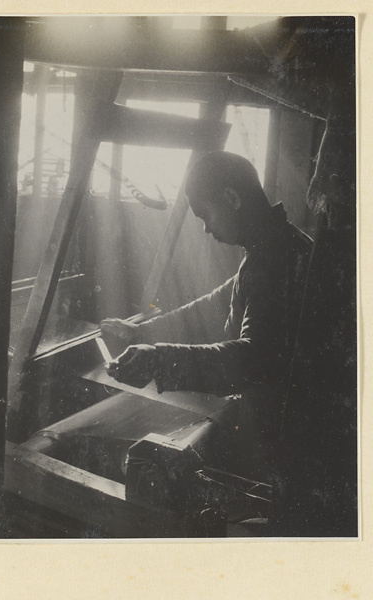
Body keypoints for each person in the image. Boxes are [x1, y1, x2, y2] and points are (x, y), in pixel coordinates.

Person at [101, 151, 313, 492]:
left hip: (283, 435)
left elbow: (256, 358)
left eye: (205, 214)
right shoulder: (278, 244)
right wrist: (143, 332)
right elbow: (217, 302)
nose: (204, 229)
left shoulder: (274, 256)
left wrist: (158, 361)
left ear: (231, 197)